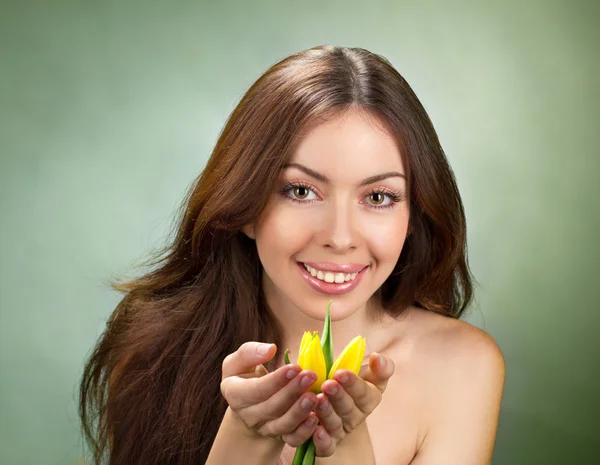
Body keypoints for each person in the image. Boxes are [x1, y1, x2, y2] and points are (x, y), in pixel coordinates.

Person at [79, 45, 505, 465]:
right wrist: (243, 439)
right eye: (301, 191)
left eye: (378, 196)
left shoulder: (463, 367)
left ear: (415, 216)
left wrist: (346, 446)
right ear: (245, 206)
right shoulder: (155, 350)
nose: (340, 237)